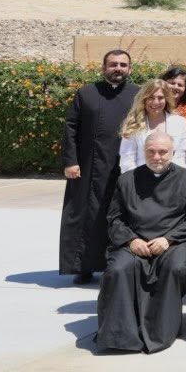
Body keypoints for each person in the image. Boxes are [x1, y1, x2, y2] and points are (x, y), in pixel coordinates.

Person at [95, 132, 186, 354]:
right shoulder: (126, 180)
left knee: (175, 268)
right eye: (151, 152)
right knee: (118, 269)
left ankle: (161, 332)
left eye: (163, 152)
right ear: (144, 153)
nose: (157, 157)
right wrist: (131, 240)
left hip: (173, 241)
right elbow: (114, 219)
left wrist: (168, 239)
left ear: (172, 153)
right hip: (134, 241)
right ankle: (120, 335)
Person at [61, 49, 138, 284]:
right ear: (103, 68)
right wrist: (70, 161)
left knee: (122, 216)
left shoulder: (137, 94)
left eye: (123, 65)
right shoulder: (86, 93)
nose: (118, 69)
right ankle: (82, 266)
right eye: (113, 64)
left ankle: (117, 265)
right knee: (85, 216)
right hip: (88, 167)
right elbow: (71, 127)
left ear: (129, 69)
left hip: (126, 167)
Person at [118, 78, 186, 173]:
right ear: (144, 99)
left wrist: (177, 181)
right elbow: (127, 159)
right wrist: (132, 184)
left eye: (160, 98)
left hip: (171, 181)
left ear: (167, 99)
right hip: (140, 180)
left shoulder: (179, 122)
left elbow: (180, 156)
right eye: (150, 98)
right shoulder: (133, 124)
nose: (155, 102)